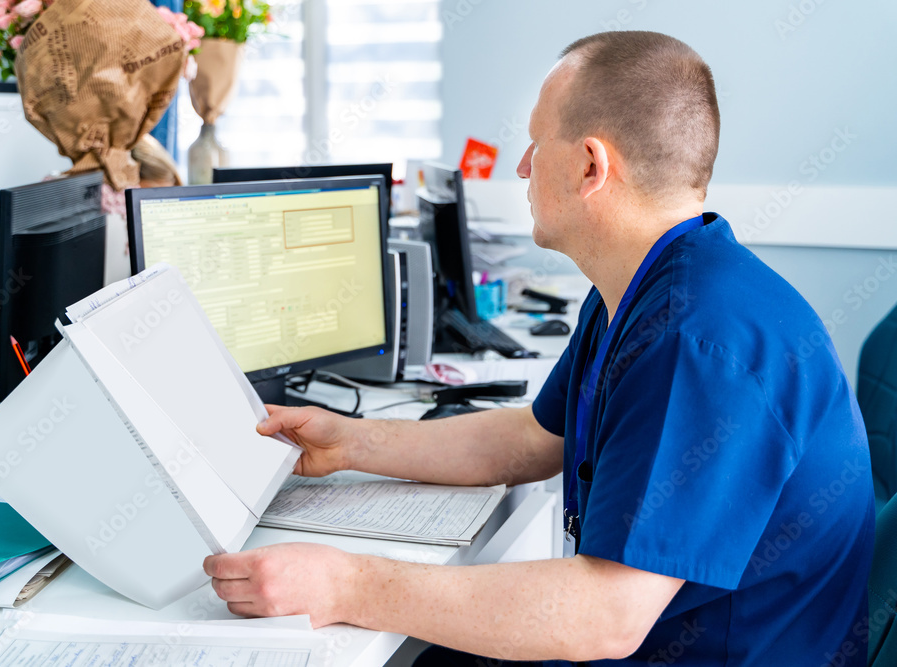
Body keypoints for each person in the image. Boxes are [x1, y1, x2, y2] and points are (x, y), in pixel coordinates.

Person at [202, 31, 874, 665]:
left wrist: (346, 584)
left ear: (589, 164)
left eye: (534, 144)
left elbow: (607, 614)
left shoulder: (698, 339)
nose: (521, 165)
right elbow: (534, 435)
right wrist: (352, 443)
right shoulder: (643, 283)